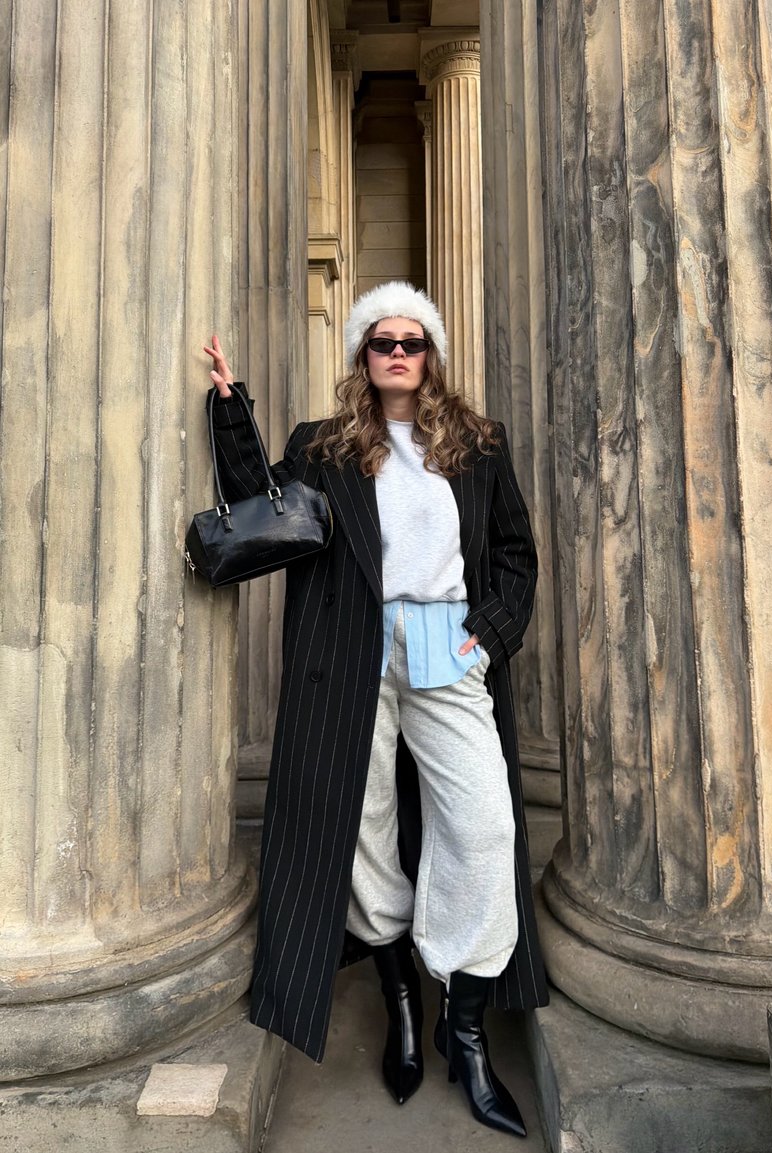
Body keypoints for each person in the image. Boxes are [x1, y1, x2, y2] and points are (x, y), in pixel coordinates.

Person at [203, 281, 548, 1138]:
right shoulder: (323, 447)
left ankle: (460, 1026)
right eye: (381, 341)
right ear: (363, 355)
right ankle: (399, 997)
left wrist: (487, 636)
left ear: (431, 353)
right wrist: (229, 406)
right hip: (350, 643)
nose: (398, 353)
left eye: (412, 341)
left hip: (447, 645)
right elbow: (261, 507)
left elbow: (514, 554)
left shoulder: (478, 443)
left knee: (485, 826)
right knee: (362, 824)